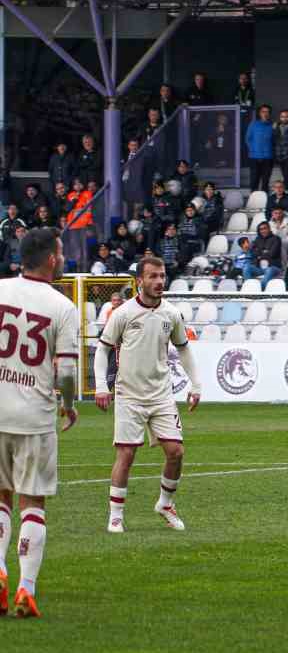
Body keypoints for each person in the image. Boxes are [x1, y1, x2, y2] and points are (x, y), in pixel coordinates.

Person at [0, 228, 82, 616]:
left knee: (0, 498)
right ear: (51, 259)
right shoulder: (62, 307)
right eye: (61, 252)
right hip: (33, 416)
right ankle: (25, 590)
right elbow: (66, 370)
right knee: (33, 501)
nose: (63, 258)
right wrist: (67, 404)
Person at [95, 253, 199, 535]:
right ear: (139, 280)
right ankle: (116, 516)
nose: (159, 281)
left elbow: (184, 348)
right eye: (153, 276)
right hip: (129, 395)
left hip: (161, 395)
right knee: (126, 455)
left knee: (176, 452)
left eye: (162, 276)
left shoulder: (171, 313)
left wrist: (196, 385)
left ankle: (165, 504)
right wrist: (102, 386)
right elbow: (103, 348)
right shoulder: (123, 313)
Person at [246, 105, 274, 191]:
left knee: (265, 181)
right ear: (260, 113)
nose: (265, 114)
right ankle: (253, 199)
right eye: (263, 111)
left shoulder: (273, 126)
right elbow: (248, 138)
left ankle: (265, 200)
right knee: (254, 181)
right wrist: (253, 150)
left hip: (268, 157)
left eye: (267, 112)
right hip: (254, 157)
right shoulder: (253, 124)